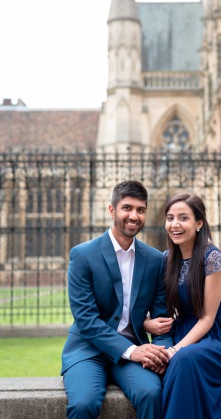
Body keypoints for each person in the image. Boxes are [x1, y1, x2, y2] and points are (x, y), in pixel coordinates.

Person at [61, 180, 174, 419]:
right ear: (112, 210)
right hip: (88, 350)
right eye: (127, 208)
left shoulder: (155, 260)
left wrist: (161, 353)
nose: (134, 216)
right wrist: (132, 351)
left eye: (140, 210)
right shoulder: (82, 255)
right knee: (84, 404)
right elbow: (87, 321)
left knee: (152, 393)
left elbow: (162, 320)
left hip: (135, 351)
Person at [152, 193, 221, 418]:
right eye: (170, 218)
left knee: (182, 360)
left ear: (199, 223)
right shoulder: (166, 259)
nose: (175, 224)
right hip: (182, 332)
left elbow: (208, 318)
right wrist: (148, 323)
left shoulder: (212, 258)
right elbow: (150, 307)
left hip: (216, 339)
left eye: (183, 218)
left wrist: (175, 349)